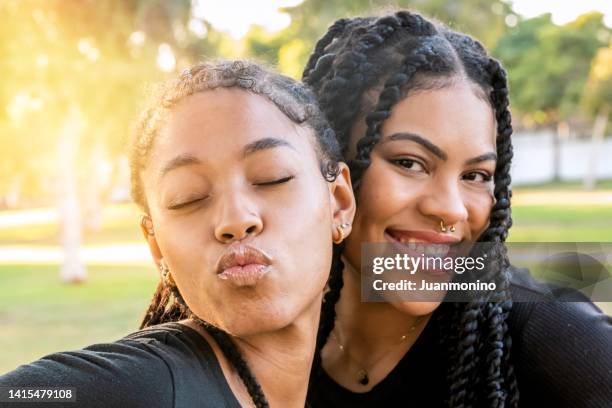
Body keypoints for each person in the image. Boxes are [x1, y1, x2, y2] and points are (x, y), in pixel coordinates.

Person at [0, 60, 356, 408]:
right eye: (189, 198)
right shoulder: (141, 384)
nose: (234, 220)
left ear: (339, 203)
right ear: (156, 247)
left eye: (271, 178)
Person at [302, 10, 612, 407]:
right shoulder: (273, 324)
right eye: (410, 163)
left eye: (476, 175)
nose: (450, 209)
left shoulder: (545, 328)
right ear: (331, 162)